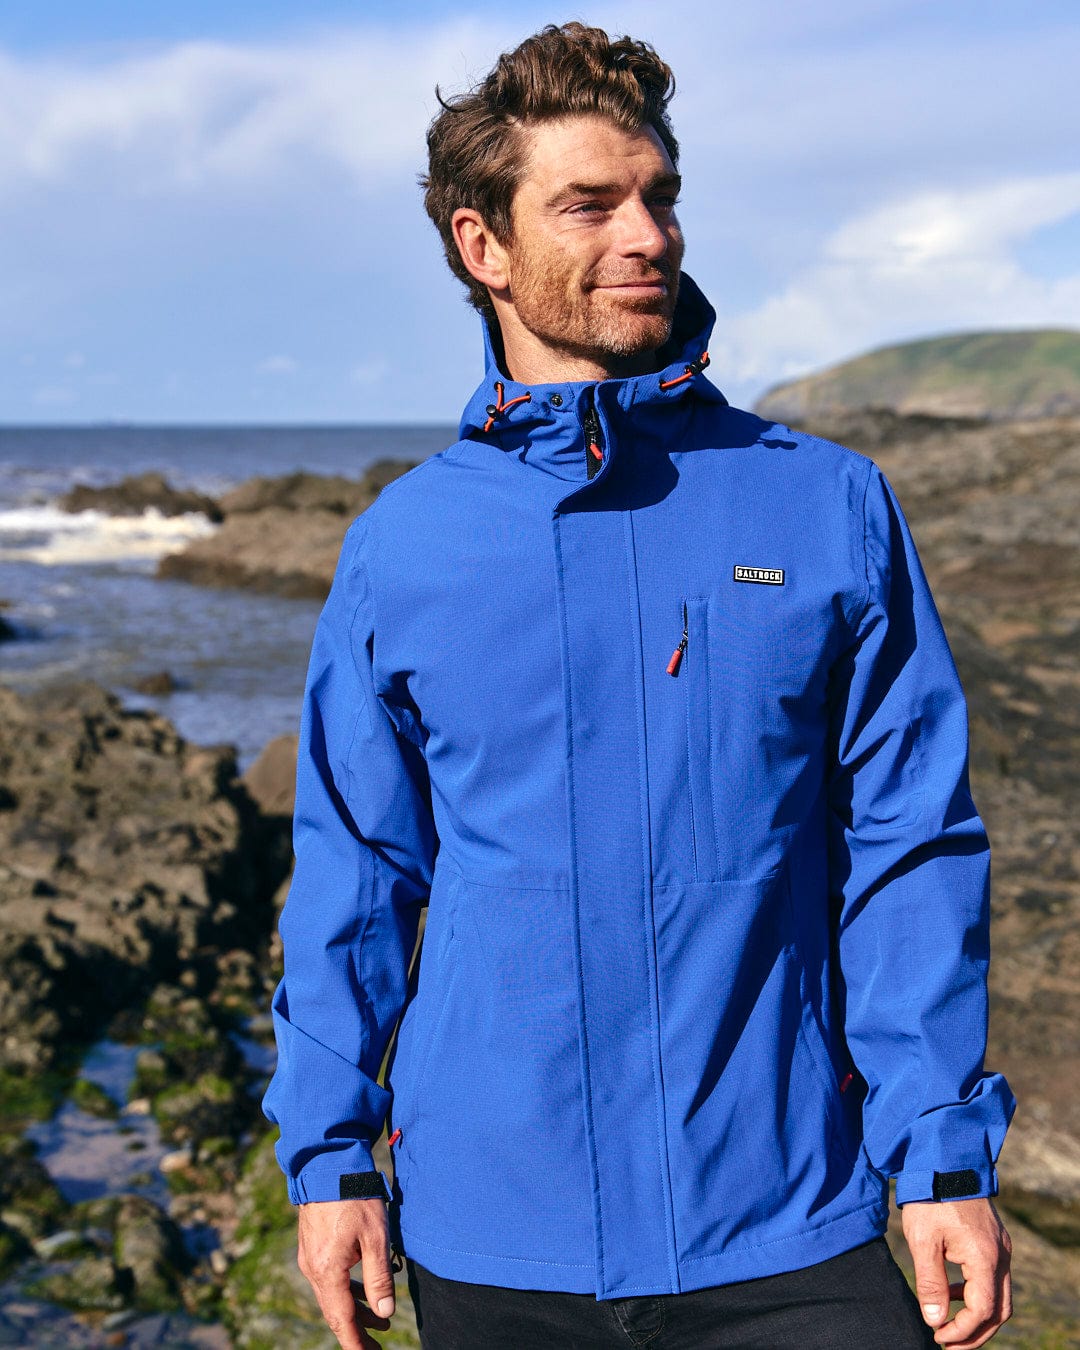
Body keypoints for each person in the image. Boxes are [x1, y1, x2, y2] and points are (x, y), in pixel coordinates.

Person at [263, 21, 1016, 1350]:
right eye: (592, 203)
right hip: (491, 1231)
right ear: (481, 245)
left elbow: (912, 846)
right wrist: (329, 1160)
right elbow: (357, 870)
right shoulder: (403, 545)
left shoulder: (827, 501)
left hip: (789, 1217)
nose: (651, 234)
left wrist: (941, 1153)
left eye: (661, 196)